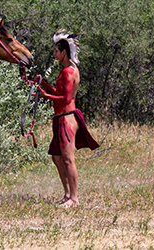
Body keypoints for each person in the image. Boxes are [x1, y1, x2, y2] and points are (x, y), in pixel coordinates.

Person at [34, 29, 99, 207]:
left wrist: (44, 95)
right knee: (56, 157)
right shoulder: (67, 70)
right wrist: (43, 84)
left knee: (68, 159)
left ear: (64, 52)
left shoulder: (68, 72)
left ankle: (74, 199)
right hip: (61, 118)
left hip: (67, 119)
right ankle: (67, 194)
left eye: (56, 50)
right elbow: (60, 92)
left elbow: (66, 98)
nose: (54, 54)